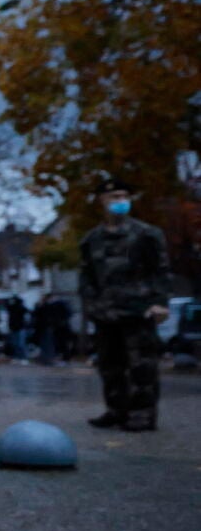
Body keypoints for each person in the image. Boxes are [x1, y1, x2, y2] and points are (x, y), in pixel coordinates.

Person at [80, 177, 173, 431]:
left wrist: (160, 302)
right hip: (105, 312)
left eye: (124, 197)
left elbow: (161, 271)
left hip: (138, 310)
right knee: (110, 366)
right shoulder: (91, 239)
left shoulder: (146, 234)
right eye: (114, 197)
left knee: (142, 366)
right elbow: (87, 275)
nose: (120, 201)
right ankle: (116, 410)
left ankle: (142, 414)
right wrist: (91, 303)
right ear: (102, 201)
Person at [5, 295, 30, 363]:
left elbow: (27, 312)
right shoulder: (12, 308)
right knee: (15, 344)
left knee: (21, 344)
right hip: (14, 328)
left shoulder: (20, 308)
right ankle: (17, 357)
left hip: (20, 328)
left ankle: (23, 357)